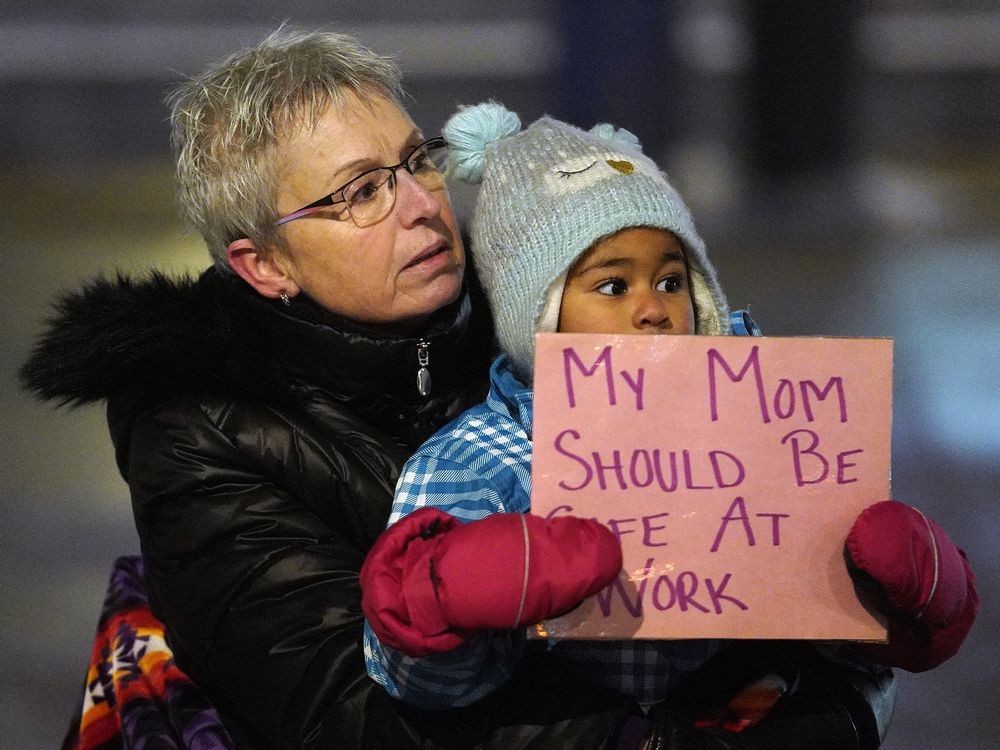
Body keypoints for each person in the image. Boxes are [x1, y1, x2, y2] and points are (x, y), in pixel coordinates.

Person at [20, 29, 686, 750]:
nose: (421, 205)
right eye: (362, 191)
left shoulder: (538, 313)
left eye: (416, 162)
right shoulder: (200, 431)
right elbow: (346, 714)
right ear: (267, 265)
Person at [360, 102, 980, 748]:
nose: (653, 309)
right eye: (612, 287)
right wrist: (453, 589)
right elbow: (425, 686)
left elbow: (836, 639)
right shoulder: (479, 461)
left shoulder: (771, 423)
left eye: (672, 280)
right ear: (536, 314)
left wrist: (915, 591)